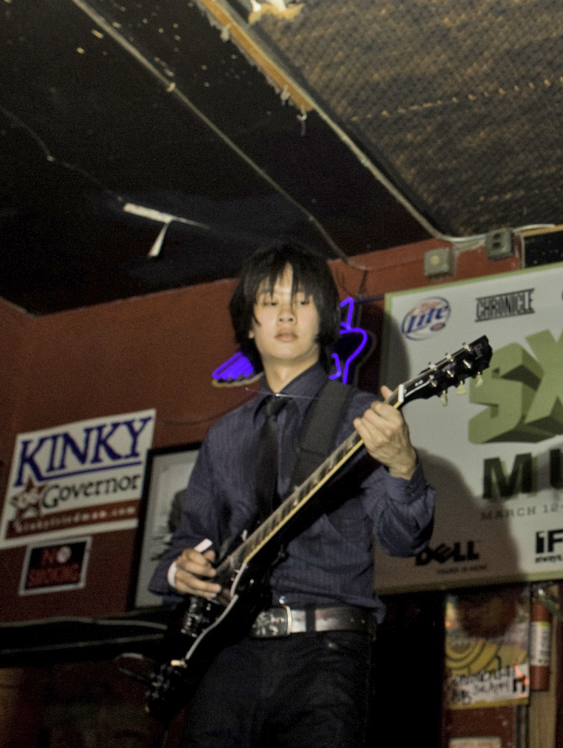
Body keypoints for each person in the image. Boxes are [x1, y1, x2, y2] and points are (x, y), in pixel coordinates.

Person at [151, 242, 435, 748]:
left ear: (324, 319)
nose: (285, 313)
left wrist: (402, 463)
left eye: (302, 301)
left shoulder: (359, 415)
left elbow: (404, 539)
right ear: (249, 322)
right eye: (269, 300)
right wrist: (181, 570)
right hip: (226, 655)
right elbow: (189, 538)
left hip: (326, 654)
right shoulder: (225, 435)